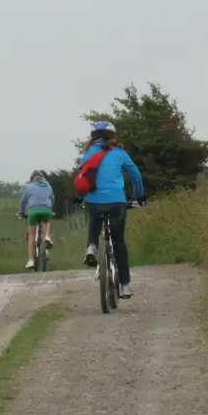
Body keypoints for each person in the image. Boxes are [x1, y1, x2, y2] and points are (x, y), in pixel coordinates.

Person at [78, 121, 144, 298]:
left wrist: (81, 197)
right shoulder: (119, 153)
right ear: (112, 137)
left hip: (94, 201)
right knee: (119, 242)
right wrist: (139, 196)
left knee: (94, 217)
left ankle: (91, 246)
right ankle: (125, 286)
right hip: (116, 202)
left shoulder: (89, 153)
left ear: (94, 137)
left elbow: (82, 176)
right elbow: (136, 176)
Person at [19, 170, 55, 269]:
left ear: (32, 179)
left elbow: (23, 201)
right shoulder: (48, 186)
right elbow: (52, 198)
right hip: (46, 210)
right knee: (46, 222)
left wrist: (21, 212)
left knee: (31, 235)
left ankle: (31, 261)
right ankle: (47, 236)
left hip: (34, 211)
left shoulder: (28, 187)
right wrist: (51, 209)